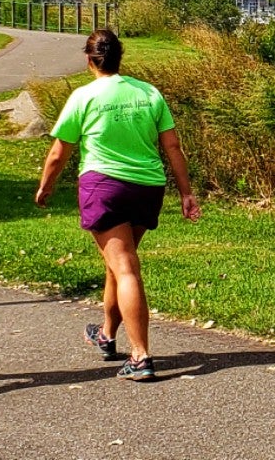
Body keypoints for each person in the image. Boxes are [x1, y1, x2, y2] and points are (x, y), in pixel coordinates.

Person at [36, 28, 199, 381]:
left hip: (104, 186)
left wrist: (45, 187)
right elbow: (173, 146)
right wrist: (186, 193)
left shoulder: (84, 96)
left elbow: (59, 150)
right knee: (117, 262)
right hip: (147, 188)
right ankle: (107, 334)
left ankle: (140, 356)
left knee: (124, 267)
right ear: (119, 56)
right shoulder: (148, 93)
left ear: (88, 59)